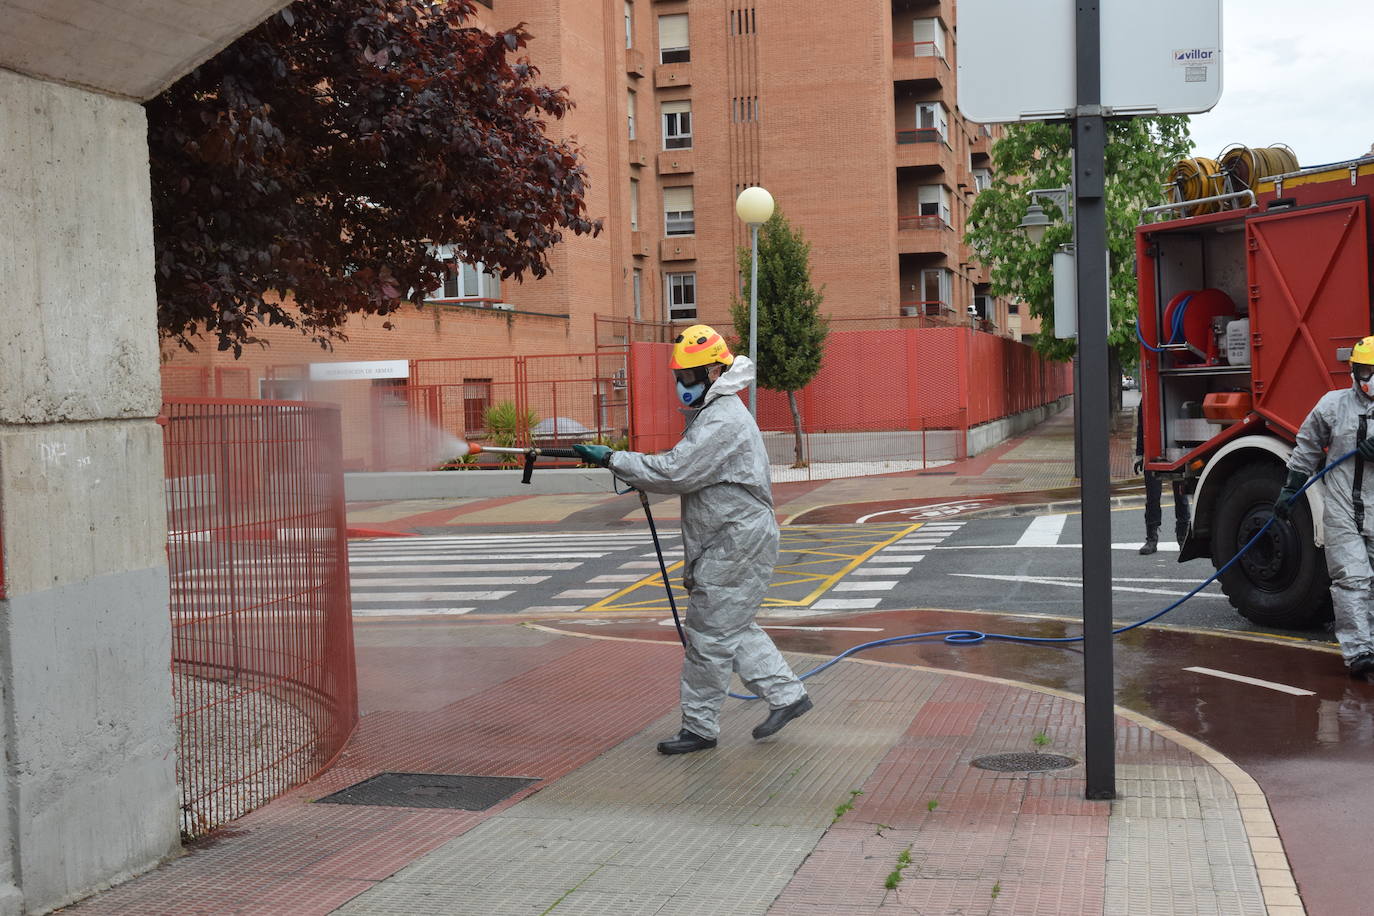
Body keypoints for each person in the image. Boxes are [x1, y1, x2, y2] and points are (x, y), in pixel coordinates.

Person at [573, 324, 812, 754]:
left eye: (688, 377)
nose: (682, 385)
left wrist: (613, 459)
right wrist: (631, 470)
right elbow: (688, 472)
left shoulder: (722, 418)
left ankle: (700, 729)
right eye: (678, 377)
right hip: (729, 538)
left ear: (714, 373)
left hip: (735, 542)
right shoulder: (713, 412)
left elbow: (676, 472)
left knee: (708, 636)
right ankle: (788, 696)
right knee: (730, 625)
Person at [1276, 335, 1374, 677]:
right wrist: (1289, 491)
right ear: (1354, 372)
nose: (1370, 380)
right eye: (1366, 371)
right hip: (1343, 505)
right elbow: (1306, 446)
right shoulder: (1333, 406)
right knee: (1352, 577)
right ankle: (1360, 652)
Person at [1135, 408, 1190, 555]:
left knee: (1181, 496)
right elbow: (1141, 427)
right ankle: (1151, 539)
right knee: (1153, 497)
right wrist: (1139, 454)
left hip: (1177, 449)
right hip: (1153, 451)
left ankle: (1183, 537)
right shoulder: (1145, 400)